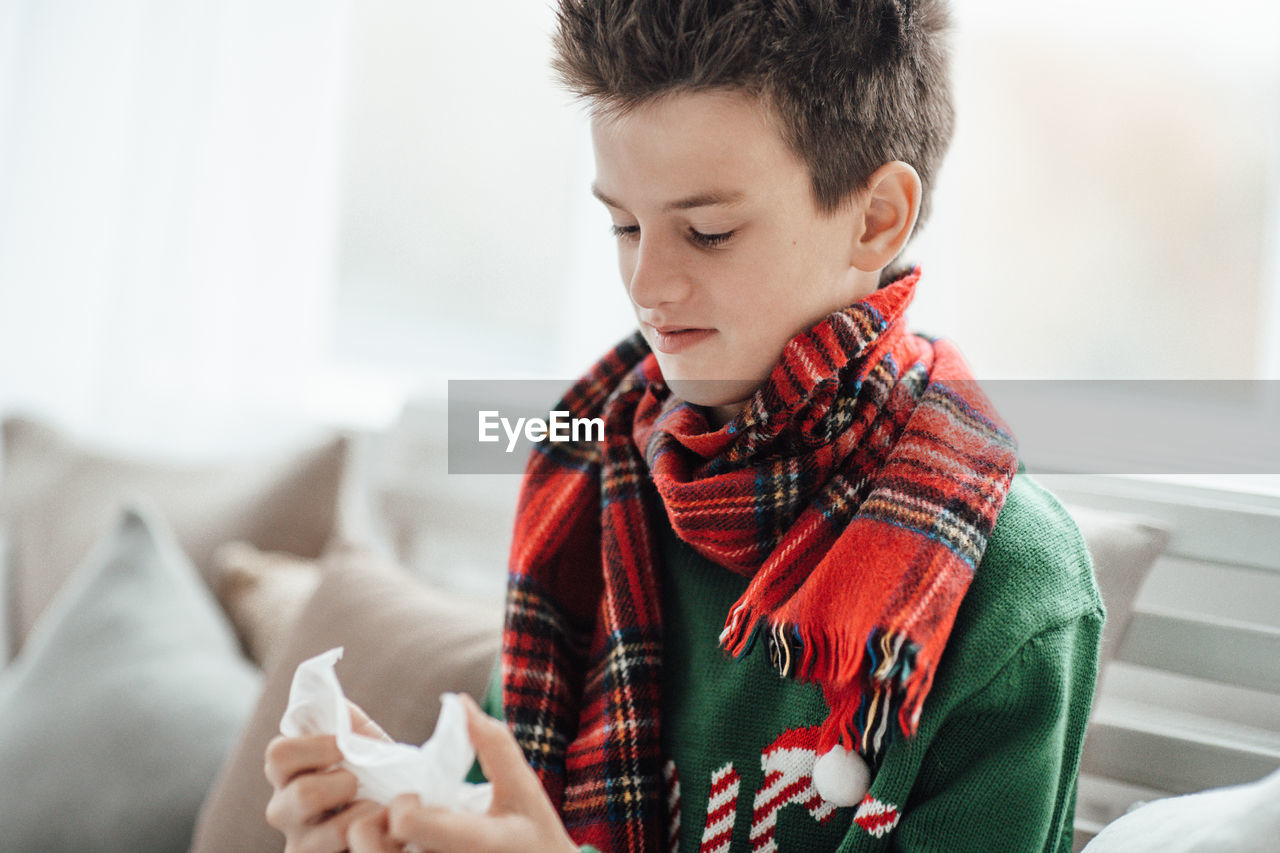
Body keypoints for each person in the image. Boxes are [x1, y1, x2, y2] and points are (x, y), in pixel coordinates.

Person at [265, 1, 1104, 850]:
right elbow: (508, 808)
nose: (647, 285)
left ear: (875, 217)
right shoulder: (589, 474)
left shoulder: (1009, 583)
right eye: (625, 225)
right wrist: (400, 816)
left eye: (708, 232)